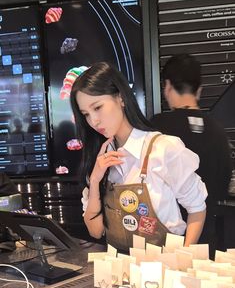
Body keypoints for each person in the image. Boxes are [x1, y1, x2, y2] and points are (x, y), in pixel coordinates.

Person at [70, 61, 207, 252]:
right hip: (120, 273)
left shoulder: (163, 148)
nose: (93, 121)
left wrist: (183, 259)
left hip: (165, 269)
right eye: (85, 114)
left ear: (121, 98)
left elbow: (197, 208)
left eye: (98, 107)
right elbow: (95, 231)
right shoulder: (99, 160)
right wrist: (94, 181)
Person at [150, 53, 232, 258]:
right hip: (208, 243)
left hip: (166, 244)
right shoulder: (218, 131)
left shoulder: (156, 128)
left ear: (167, 86)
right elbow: (223, 187)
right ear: (199, 90)